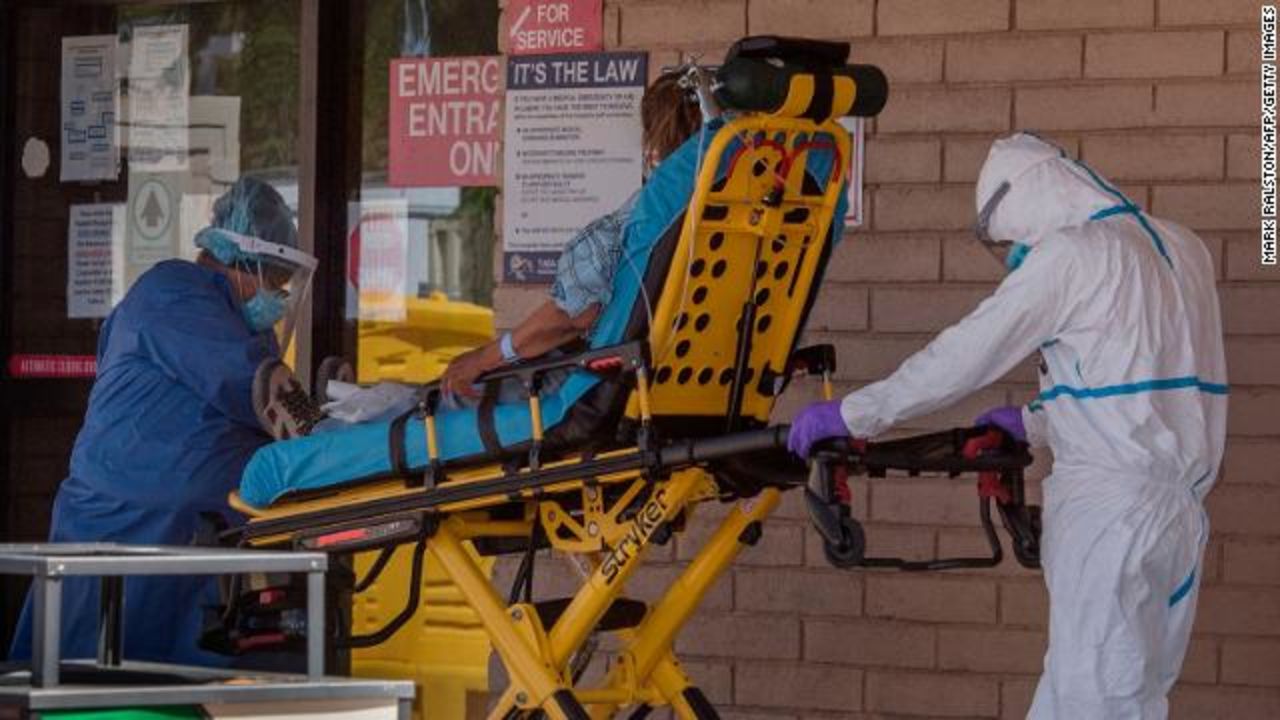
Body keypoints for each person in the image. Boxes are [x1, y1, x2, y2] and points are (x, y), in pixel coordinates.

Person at [788, 132, 1227, 718]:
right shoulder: (1180, 247)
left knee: (1094, 698)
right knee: (1121, 691)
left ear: (1023, 204)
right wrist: (1031, 422)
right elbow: (1153, 380)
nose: (1014, 255)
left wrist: (853, 412)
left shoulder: (1073, 255)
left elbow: (967, 354)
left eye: (1010, 243)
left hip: (1109, 517)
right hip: (1178, 516)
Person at [255, 69, 704, 436]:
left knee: (442, 399)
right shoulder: (715, 222)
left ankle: (322, 433)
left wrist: (484, 358)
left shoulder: (645, 221)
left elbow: (573, 315)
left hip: (581, 391)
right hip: (660, 394)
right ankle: (353, 405)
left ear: (652, 145)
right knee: (429, 395)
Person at [8, 177, 315, 666]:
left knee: (164, 678)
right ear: (241, 261)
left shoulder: (229, 319)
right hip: (124, 526)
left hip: (184, 538)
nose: (276, 298)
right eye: (272, 280)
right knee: (83, 678)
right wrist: (323, 439)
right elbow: (259, 389)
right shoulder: (177, 294)